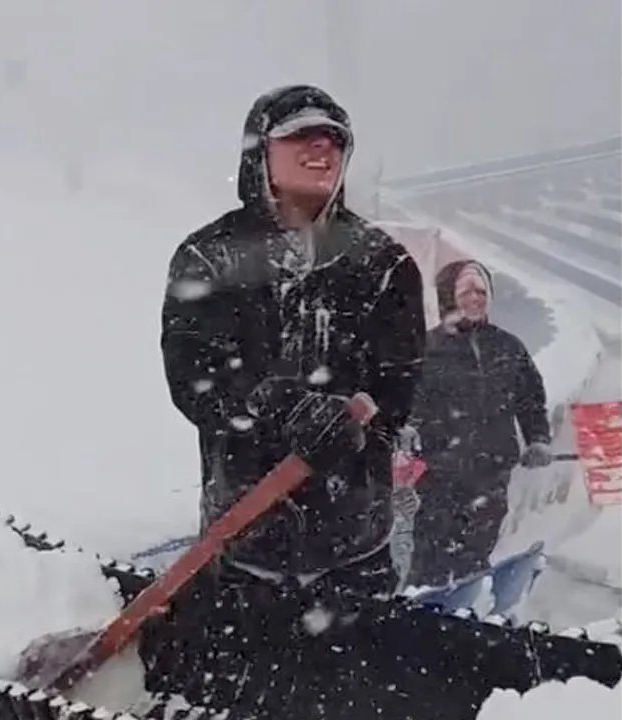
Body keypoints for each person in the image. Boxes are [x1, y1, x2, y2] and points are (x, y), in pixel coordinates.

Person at [147, 84, 425, 718]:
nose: (321, 148)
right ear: (259, 153)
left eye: (333, 139)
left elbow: (397, 385)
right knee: (241, 701)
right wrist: (274, 408)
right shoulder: (209, 257)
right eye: (301, 135)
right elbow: (192, 377)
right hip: (242, 547)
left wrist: (357, 427)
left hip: (355, 548)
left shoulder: (383, 263)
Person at [405, 259, 552, 587]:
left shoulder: (508, 347)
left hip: (491, 473)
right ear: (447, 296)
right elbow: (405, 404)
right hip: (438, 476)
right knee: (432, 555)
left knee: (476, 552)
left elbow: (530, 399)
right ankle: (426, 604)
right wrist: (408, 433)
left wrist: (538, 438)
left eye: (482, 290)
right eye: (466, 290)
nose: (476, 297)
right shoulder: (425, 349)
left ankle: (468, 601)